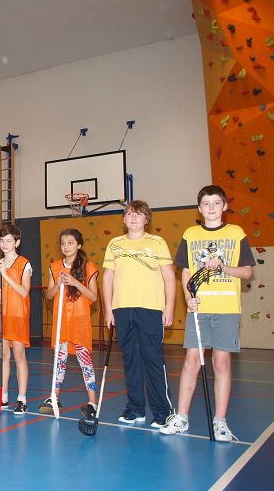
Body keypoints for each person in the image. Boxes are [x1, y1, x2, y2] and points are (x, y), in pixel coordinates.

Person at [160, 185, 255, 442]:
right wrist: (188, 298)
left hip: (226, 309)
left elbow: (247, 272)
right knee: (191, 361)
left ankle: (220, 421)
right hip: (199, 309)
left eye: (216, 203)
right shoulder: (190, 234)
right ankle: (181, 417)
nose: (211, 207)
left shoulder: (236, 233)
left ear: (224, 206)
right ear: (199, 209)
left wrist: (223, 267)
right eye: (206, 203)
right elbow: (185, 271)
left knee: (221, 363)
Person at [102, 200, 177, 428]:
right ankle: (135, 409)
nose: (133, 217)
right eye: (128, 213)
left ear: (146, 219)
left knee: (152, 359)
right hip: (122, 310)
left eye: (138, 214)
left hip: (151, 309)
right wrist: (108, 309)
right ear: (124, 219)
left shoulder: (157, 242)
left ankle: (163, 411)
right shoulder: (114, 244)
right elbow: (107, 277)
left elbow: (169, 276)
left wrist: (169, 307)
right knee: (130, 360)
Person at [40, 228, 99, 418]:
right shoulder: (55, 266)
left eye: (70, 243)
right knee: (59, 361)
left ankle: (92, 402)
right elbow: (49, 295)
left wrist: (75, 282)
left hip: (79, 322)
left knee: (85, 362)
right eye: (63, 243)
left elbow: (93, 297)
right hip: (61, 322)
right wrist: (58, 284)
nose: (66, 246)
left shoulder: (89, 267)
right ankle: (54, 397)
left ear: (79, 245)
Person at [0, 224, 32, 414]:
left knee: (19, 356)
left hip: (17, 314)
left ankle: (22, 399)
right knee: (2, 357)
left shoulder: (24, 264)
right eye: (2, 241)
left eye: (8, 241)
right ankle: (3, 397)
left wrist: (6, 274)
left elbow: (24, 291)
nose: (4, 244)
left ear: (17, 243)